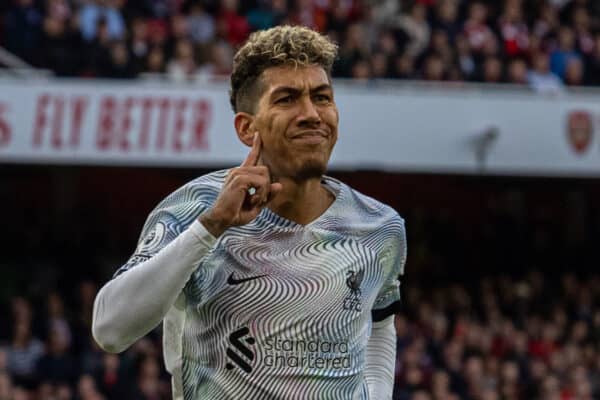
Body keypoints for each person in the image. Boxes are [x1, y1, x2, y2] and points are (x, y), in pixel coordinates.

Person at [92, 25, 406, 400]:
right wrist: (211, 227)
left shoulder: (379, 226)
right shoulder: (193, 208)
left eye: (322, 97)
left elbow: (381, 324)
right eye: (287, 99)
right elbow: (110, 330)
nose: (311, 114)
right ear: (246, 128)